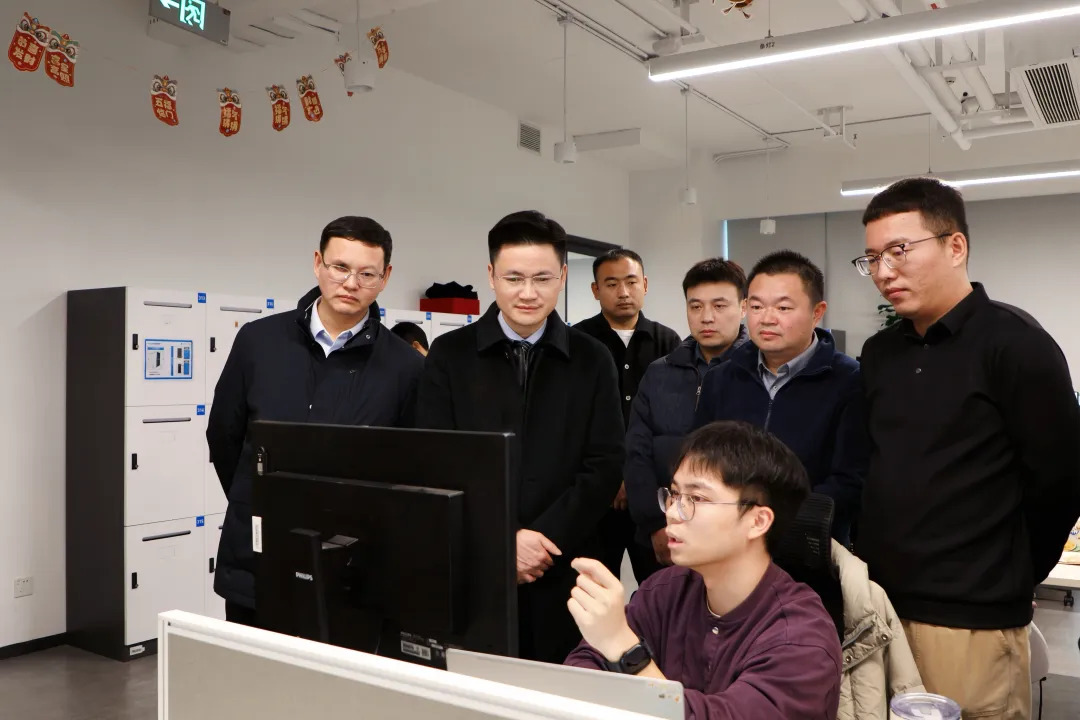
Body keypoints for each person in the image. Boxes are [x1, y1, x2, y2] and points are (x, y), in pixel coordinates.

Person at [854, 177, 1080, 719]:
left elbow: (1061, 481)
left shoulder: (1015, 344)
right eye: (872, 258)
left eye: (899, 250)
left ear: (955, 246)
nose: (884, 272)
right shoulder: (880, 352)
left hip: (971, 621)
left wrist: (1011, 575)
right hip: (883, 607)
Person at [416, 210, 623, 664]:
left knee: (563, 682)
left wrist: (542, 539)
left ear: (562, 277)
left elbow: (605, 463)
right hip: (475, 561)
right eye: (514, 278)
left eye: (542, 278)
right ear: (491, 276)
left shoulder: (593, 359)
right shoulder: (450, 355)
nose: (528, 293)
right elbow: (437, 460)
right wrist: (501, 540)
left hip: (566, 564)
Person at [207, 216, 424, 628]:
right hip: (258, 557)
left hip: (352, 569)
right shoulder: (259, 341)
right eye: (340, 267)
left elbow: (407, 467)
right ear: (317, 263)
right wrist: (258, 496)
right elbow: (224, 436)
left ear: (385, 277)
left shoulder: (406, 368)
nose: (351, 283)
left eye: (367, 274)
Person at [564, 421, 842, 720]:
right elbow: (584, 666)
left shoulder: (801, 639)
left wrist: (623, 648)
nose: (672, 512)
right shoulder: (667, 588)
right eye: (674, 494)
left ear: (757, 521)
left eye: (696, 499)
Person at [694, 251, 866, 543]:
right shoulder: (721, 378)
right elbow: (700, 460)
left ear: (817, 312)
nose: (767, 319)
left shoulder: (849, 380)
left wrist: (772, 522)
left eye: (783, 308)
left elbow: (850, 481)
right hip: (727, 539)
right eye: (756, 306)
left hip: (808, 543)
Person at [625, 258, 749, 571]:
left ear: (744, 307)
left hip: (734, 539)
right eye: (696, 306)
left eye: (719, 305)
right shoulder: (659, 373)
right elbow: (637, 453)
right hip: (663, 533)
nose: (706, 317)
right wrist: (656, 524)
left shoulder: (755, 372)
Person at [574, 249, 680, 584]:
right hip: (593, 498)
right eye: (611, 284)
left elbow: (670, 424)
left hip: (652, 497)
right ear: (596, 290)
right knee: (592, 588)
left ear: (644, 284)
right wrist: (612, 477)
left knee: (659, 589)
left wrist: (634, 479)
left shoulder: (669, 343)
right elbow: (574, 421)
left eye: (631, 282)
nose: (623, 292)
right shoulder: (577, 344)